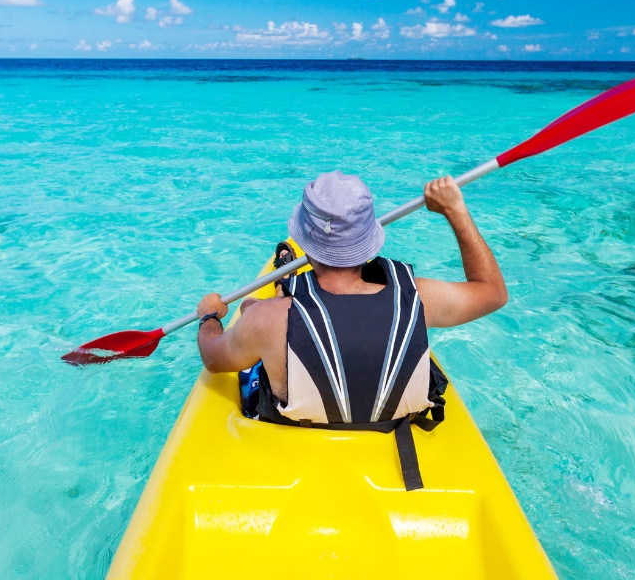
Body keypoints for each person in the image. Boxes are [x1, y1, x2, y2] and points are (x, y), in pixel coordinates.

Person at [194, 170, 507, 489]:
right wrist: (456, 211)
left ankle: (285, 288)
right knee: (265, 314)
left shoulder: (266, 321)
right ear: (368, 242)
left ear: (306, 243)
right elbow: (493, 292)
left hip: (293, 431)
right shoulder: (423, 299)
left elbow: (213, 357)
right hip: (396, 442)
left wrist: (209, 317)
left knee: (254, 312)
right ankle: (287, 290)